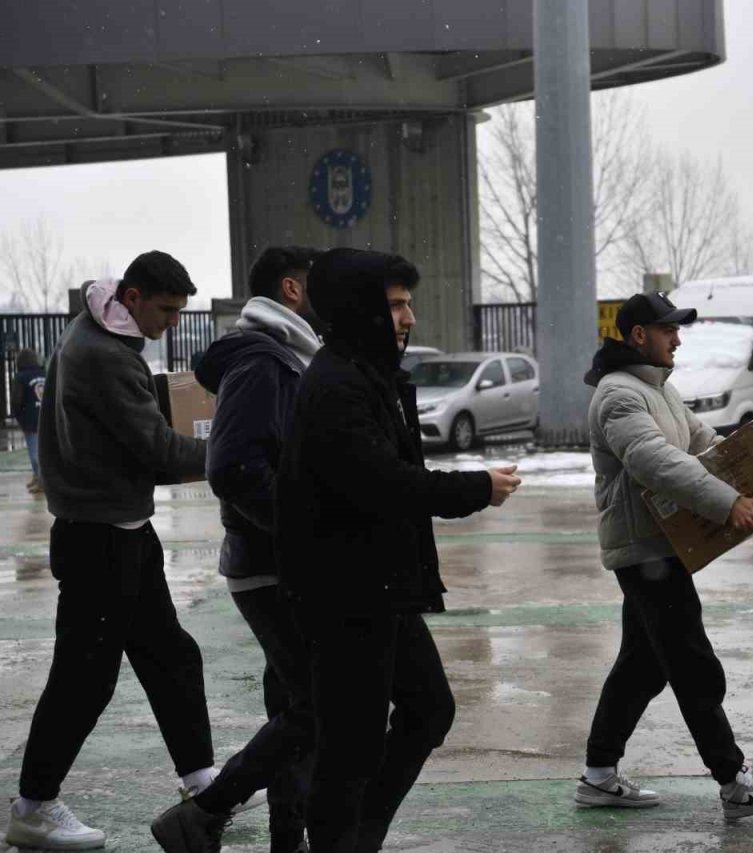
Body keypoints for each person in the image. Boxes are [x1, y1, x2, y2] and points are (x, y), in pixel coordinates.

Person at [164, 248, 520, 853]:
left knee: (404, 713)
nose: (409, 318)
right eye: (397, 305)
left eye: (409, 303)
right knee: (335, 735)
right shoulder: (322, 379)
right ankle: (247, 822)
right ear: (362, 309)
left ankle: (331, 832)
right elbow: (365, 478)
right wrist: (472, 489)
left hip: (371, 581)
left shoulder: (358, 372)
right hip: (333, 582)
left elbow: (379, 474)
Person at [5, 252, 214, 851]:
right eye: (167, 311)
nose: (172, 323)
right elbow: (156, 448)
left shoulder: (91, 331)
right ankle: (33, 806)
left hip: (119, 528)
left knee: (170, 655)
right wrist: (228, 451)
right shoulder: (104, 355)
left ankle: (200, 777)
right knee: (84, 679)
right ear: (132, 296)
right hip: (98, 537)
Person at [575, 291, 753, 820]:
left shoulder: (660, 390)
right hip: (644, 551)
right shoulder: (618, 396)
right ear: (637, 336)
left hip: (660, 547)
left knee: (643, 666)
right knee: (691, 662)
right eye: (668, 329)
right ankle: (734, 782)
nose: (678, 338)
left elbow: (702, 445)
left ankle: (599, 775)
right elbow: (654, 462)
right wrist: (726, 502)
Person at [150, 247, 324, 853]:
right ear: (292, 290)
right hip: (271, 566)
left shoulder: (286, 356)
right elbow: (234, 469)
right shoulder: (263, 359)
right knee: (321, 704)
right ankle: (204, 813)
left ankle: (287, 834)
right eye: (318, 285)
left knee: (297, 706)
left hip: (276, 563)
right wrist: (302, 529)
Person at [9, 348, 45, 493]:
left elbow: (16, 400)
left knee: (34, 453)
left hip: (30, 420)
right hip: (45, 418)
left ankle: (41, 481)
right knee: (43, 451)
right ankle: (38, 477)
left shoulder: (20, 377)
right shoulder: (44, 374)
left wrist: (20, 418)